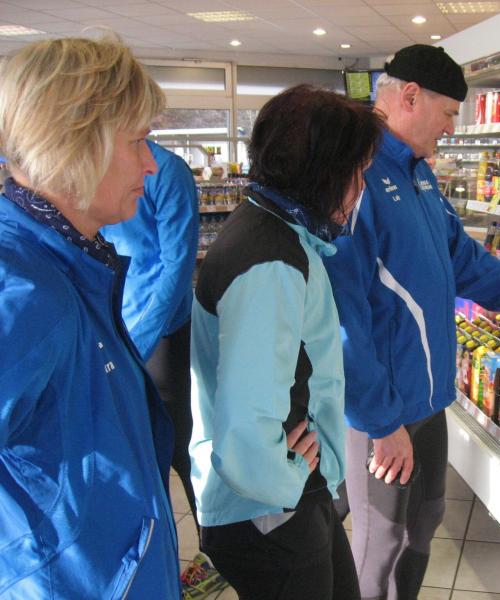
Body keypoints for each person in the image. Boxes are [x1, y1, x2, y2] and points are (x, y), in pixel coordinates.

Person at [323, 44, 500, 600]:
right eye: (449, 112)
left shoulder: (420, 177)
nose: (452, 127)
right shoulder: (356, 178)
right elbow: (342, 316)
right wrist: (379, 421)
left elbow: (462, 261)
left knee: (422, 525)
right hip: (383, 409)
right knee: (382, 544)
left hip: (429, 399)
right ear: (409, 97)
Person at [0, 36, 180, 598]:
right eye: (138, 141)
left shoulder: (64, 262)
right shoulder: (26, 289)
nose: (150, 164)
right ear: (75, 142)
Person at [189, 84, 384, 600]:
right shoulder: (271, 261)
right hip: (267, 509)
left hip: (284, 496)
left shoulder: (275, 231)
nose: (361, 186)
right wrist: (288, 479)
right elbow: (248, 419)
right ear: (326, 172)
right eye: (358, 170)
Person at [99, 141, 220, 596]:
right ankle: (157, 561)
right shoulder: (98, 161)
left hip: (163, 336)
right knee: (142, 456)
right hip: (119, 329)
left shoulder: (166, 172)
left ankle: (215, 552)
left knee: (184, 451)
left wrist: (140, 341)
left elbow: (177, 266)